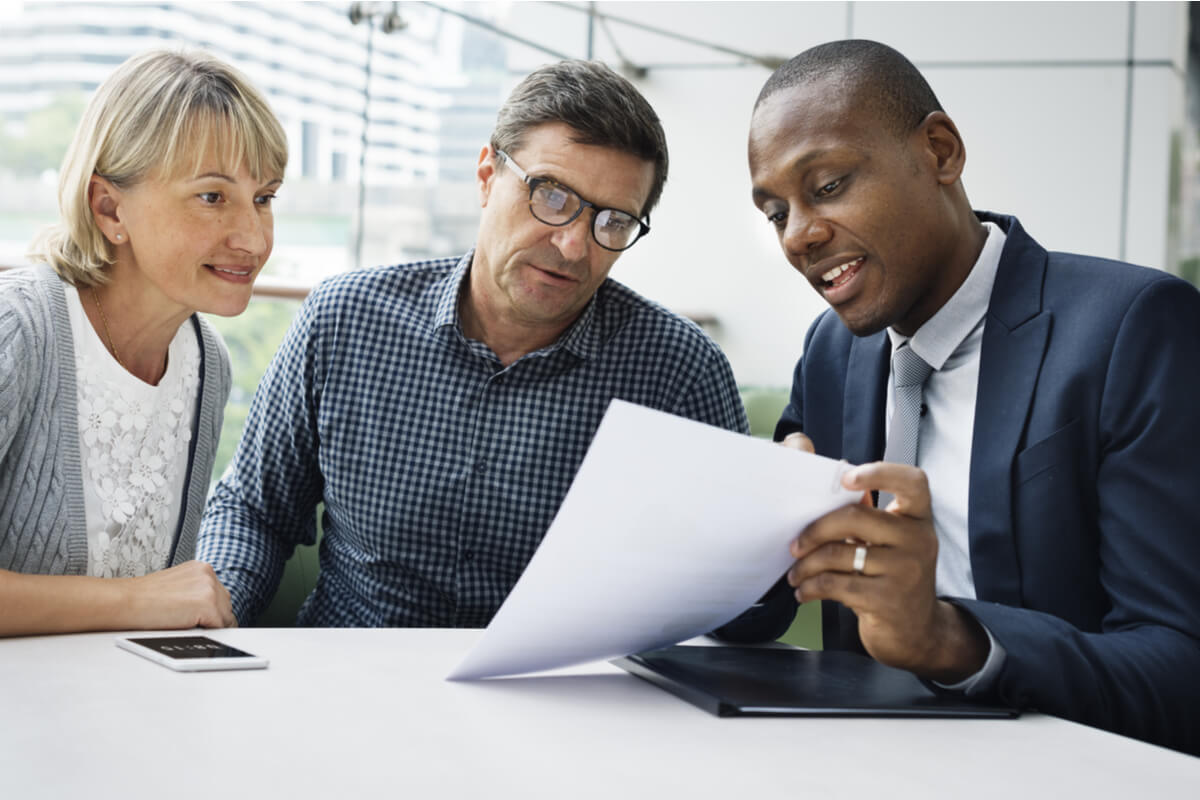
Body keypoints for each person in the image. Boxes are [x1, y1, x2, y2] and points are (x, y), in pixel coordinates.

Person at [736, 39, 1200, 754]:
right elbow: (766, 609)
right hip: (851, 760)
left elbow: (1179, 669)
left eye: (827, 186)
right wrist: (744, 536)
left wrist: (948, 639)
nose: (799, 235)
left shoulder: (1133, 329)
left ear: (941, 152)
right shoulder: (831, 354)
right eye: (776, 213)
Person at [198, 60, 748, 628]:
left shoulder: (679, 371)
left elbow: (735, 597)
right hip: (348, 685)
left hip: (563, 703)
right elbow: (253, 511)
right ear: (488, 175)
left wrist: (775, 542)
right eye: (552, 196)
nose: (573, 246)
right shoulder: (345, 319)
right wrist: (212, 618)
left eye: (612, 222)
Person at [0, 49, 288, 636]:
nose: (253, 239)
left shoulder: (207, 366)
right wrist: (136, 603)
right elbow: (155, 601)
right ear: (109, 208)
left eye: (264, 198)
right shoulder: (17, 331)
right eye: (212, 197)